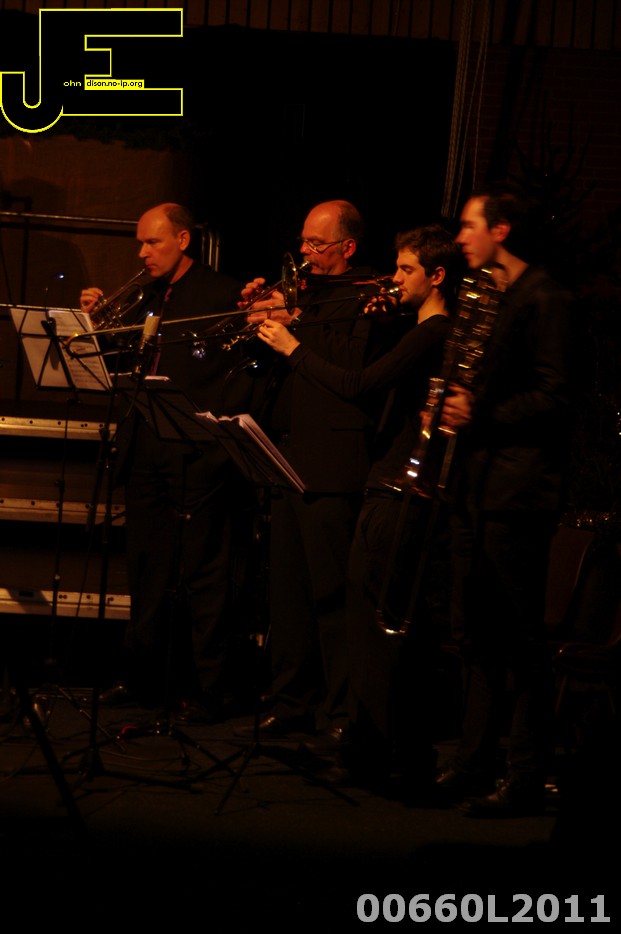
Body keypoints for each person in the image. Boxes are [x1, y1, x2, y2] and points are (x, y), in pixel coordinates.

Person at [257, 225, 463, 792]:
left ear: (437, 276)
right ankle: (377, 742)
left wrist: (294, 346)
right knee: (367, 616)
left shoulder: (434, 331)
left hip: (396, 482)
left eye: (406, 270)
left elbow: (358, 383)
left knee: (368, 618)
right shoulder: (415, 327)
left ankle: (369, 742)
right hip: (389, 475)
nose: (394, 279)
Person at [80, 202, 260, 721]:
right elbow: (115, 366)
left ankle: (211, 688)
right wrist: (94, 324)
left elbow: (238, 374)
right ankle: (142, 678)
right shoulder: (143, 295)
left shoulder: (222, 294)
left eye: (152, 242)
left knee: (205, 573)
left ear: (183, 240)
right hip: (145, 448)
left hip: (196, 451)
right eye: (140, 242)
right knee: (147, 568)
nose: (142, 253)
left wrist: (215, 439)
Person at [435, 182, 576, 815]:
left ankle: (525, 773)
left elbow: (556, 395)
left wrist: (480, 412)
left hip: (518, 491)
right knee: (475, 633)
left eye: (470, 225)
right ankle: (473, 763)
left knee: (518, 637)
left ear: (502, 230)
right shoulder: (492, 293)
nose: (460, 237)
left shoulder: (545, 298)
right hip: (479, 484)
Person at [235, 199, 389, 740]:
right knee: (289, 596)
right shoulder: (301, 291)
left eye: (316, 244)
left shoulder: (369, 293)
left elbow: (350, 366)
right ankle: (290, 701)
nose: (304, 252)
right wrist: (255, 320)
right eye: (303, 241)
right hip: (285, 455)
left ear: (348, 247)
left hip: (332, 464)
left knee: (332, 596)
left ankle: (343, 714)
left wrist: (295, 323)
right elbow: (264, 365)